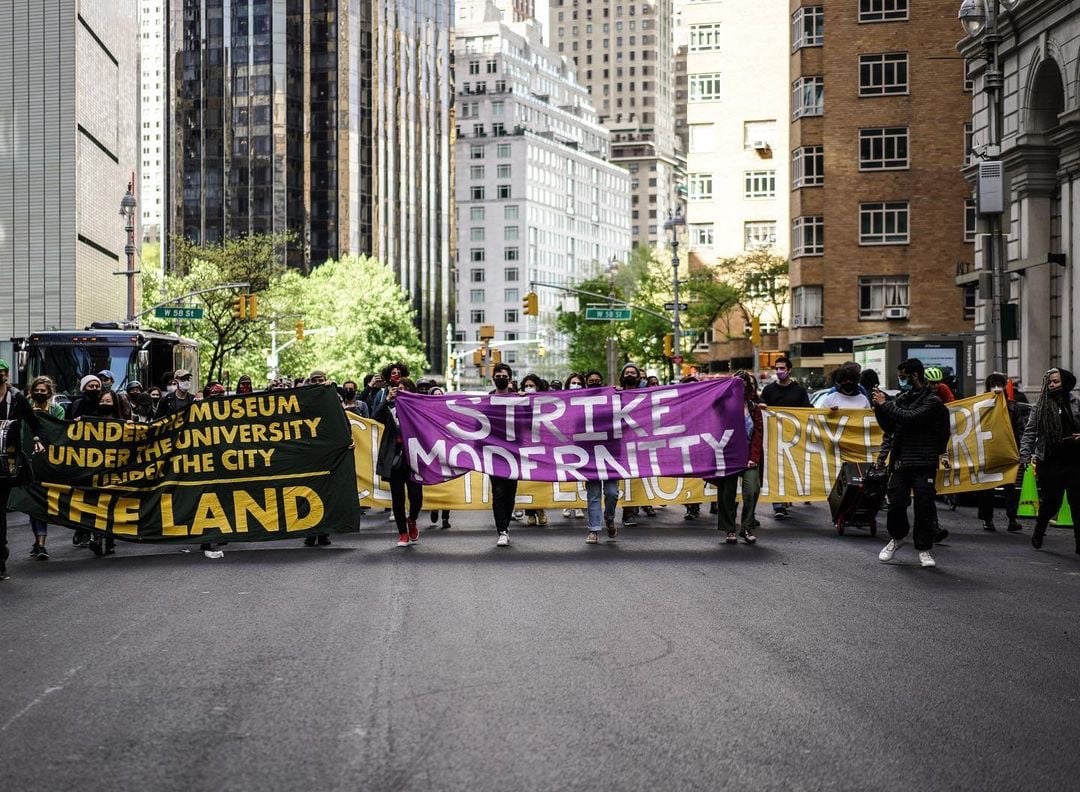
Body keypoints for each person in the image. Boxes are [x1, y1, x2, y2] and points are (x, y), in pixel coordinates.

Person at [873, 358, 951, 569]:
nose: (901, 381)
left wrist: (885, 404)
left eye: (903, 377)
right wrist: (879, 407)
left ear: (914, 376)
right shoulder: (903, 398)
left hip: (924, 460)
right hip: (901, 461)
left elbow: (910, 417)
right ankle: (897, 537)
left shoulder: (932, 402)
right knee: (896, 502)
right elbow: (889, 425)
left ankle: (924, 548)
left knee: (924, 505)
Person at [1019, 368, 1080, 554]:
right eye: (1050, 382)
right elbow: (1030, 431)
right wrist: (1025, 454)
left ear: (1066, 383)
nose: (1052, 385)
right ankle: (1040, 529)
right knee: (1051, 502)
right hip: (1050, 460)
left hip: (1074, 459)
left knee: (1077, 502)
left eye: (1056, 381)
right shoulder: (1041, 405)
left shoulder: (1076, 403)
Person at [1, 361, 45, 579]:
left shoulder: (16, 398)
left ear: (6, 375)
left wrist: (38, 440)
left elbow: (35, 424)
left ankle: (0, 557)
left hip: (6, 461)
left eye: (1, 373)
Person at [714, 371, 764, 544]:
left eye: (745, 382)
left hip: (749, 456)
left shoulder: (754, 408)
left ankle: (746, 527)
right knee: (727, 493)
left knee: (751, 490)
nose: (741, 385)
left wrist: (754, 458)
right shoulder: (724, 406)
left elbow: (758, 435)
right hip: (729, 455)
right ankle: (729, 529)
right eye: (737, 382)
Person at [374, 376, 424, 547]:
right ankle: (403, 533)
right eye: (398, 388)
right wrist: (387, 399)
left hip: (414, 456)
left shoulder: (419, 407)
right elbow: (376, 417)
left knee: (416, 496)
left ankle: (412, 520)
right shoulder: (390, 407)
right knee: (398, 497)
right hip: (394, 456)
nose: (400, 390)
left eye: (404, 388)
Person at [759, 356, 810, 518]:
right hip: (773, 439)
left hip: (794, 440)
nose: (779, 371)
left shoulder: (800, 391)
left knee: (791, 470)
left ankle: (787, 497)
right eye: (777, 368)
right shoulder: (768, 390)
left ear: (789, 370)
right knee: (775, 470)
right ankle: (779, 505)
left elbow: (809, 411)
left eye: (782, 368)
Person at [977, 372, 1027, 533]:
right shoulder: (981, 405)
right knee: (986, 488)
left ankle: (1012, 519)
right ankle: (987, 519)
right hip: (989, 453)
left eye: (1000, 385)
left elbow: (1021, 429)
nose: (997, 389)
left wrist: (1020, 450)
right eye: (993, 385)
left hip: (1008, 453)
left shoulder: (1012, 406)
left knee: (1010, 487)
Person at [26, 376, 64, 560]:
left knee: (42, 501)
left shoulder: (57, 410)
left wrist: (41, 418)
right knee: (32, 501)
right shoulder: (23, 406)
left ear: (49, 393)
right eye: (37, 390)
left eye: (43, 391)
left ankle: (40, 543)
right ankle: (39, 542)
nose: (40, 393)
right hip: (27, 460)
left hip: (48, 461)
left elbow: (58, 431)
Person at [582, 371, 620, 545]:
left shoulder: (612, 401)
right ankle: (594, 530)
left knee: (612, 493)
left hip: (611, 454)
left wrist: (621, 394)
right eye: (591, 381)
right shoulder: (578, 404)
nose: (594, 383)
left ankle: (609, 518)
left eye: (597, 381)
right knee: (594, 494)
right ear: (586, 383)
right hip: (590, 456)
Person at [616, 363, 649, 525]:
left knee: (637, 477)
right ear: (622, 376)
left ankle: (632, 509)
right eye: (627, 372)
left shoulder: (648, 394)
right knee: (625, 477)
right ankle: (626, 511)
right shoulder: (615, 393)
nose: (629, 374)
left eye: (632, 372)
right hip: (621, 442)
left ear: (638, 376)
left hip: (641, 441)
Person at [490, 362, 518, 547]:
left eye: (504, 376)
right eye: (498, 376)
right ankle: (502, 530)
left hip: (515, 454)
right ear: (493, 379)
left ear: (510, 379)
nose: (501, 379)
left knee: (510, 493)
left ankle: (506, 525)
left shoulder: (519, 400)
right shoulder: (487, 401)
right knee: (498, 492)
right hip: (493, 453)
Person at [520, 374, 549, 528]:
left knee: (539, 480)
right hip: (525, 445)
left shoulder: (546, 402)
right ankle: (530, 513)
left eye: (532, 385)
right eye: (526, 385)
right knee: (528, 480)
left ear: (538, 387)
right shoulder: (519, 401)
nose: (529, 388)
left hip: (541, 444)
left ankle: (540, 509)